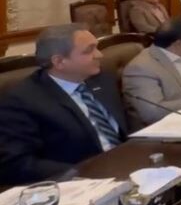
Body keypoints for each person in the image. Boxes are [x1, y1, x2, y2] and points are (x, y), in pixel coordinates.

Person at [0, 24, 129, 185]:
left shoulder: (101, 78)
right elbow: (16, 164)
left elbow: (125, 129)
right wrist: (81, 173)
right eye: (89, 50)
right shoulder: (21, 101)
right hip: (80, 183)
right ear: (59, 61)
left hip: (126, 165)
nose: (99, 55)